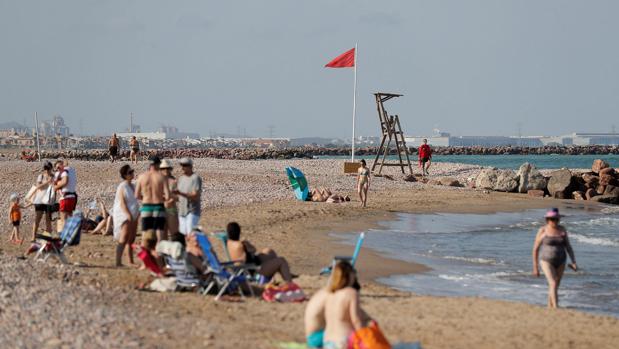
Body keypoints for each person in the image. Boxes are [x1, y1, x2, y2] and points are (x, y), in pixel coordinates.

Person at [532, 208, 578, 309]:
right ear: (548, 220)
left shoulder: (562, 229)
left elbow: (568, 246)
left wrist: (574, 261)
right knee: (553, 282)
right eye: (553, 219)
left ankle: (550, 306)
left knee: (555, 284)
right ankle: (556, 307)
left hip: (561, 260)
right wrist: (535, 267)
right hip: (546, 260)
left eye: (557, 219)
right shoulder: (543, 230)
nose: (555, 221)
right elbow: (535, 249)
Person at [226, 222, 293, 283]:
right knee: (281, 260)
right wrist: (246, 244)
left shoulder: (229, 242)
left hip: (245, 266)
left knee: (269, 251)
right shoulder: (241, 245)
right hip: (255, 270)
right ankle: (290, 284)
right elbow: (253, 250)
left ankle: (279, 273)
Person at [323, 261, 364, 349]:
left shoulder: (330, 294)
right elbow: (356, 320)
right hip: (343, 342)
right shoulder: (351, 292)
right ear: (349, 275)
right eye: (353, 272)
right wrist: (363, 337)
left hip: (327, 342)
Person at [135, 157, 170, 241]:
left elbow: (137, 195)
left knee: (145, 234)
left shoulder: (142, 177)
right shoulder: (162, 177)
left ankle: (146, 253)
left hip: (146, 206)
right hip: (158, 206)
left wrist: (145, 198)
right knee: (159, 235)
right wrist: (160, 197)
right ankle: (158, 253)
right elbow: (168, 196)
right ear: (158, 164)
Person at [113, 165, 140, 267]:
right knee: (124, 238)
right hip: (125, 216)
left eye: (132, 171)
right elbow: (122, 203)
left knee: (131, 239)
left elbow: (138, 198)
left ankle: (130, 261)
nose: (132, 173)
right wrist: (128, 215)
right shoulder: (122, 186)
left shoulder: (133, 186)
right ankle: (118, 262)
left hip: (134, 214)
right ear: (124, 175)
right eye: (130, 172)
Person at [175, 158, 202, 235]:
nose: (182, 167)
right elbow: (179, 197)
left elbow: (195, 195)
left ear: (190, 166)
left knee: (190, 235)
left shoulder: (195, 178)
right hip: (182, 211)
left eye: (185, 165)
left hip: (192, 211)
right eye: (181, 165)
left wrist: (180, 193)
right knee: (183, 235)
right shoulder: (181, 178)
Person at [31, 161, 54, 241]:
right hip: (40, 200)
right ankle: (33, 237)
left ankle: (48, 237)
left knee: (48, 219)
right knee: (37, 218)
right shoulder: (41, 176)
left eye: (48, 169)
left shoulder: (54, 177)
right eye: (46, 169)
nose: (47, 171)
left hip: (49, 201)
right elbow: (38, 187)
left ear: (51, 168)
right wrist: (47, 182)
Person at [53, 160, 78, 233]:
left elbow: (63, 182)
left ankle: (64, 236)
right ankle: (70, 234)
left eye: (58, 167)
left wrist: (56, 187)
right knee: (70, 217)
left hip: (65, 197)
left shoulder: (61, 173)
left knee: (63, 218)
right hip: (73, 197)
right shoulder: (72, 170)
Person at [160, 159, 179, 236]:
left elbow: (179, 196)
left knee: (174, 233)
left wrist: (171, 200)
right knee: (163, 234)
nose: (166, 170)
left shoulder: (174, 181)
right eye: (163, 168)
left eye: (168, 168)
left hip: (171, 209)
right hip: (160, 209)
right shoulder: (158, 180)